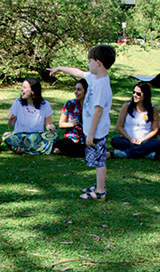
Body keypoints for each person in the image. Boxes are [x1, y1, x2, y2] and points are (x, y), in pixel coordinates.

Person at [49, 45, 116, 200]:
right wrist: (60, 68)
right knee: (95, 159)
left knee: (99, 161)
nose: (88, 65)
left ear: (98, 63)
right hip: (91, 129)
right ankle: (99, 185)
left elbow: (98, 111)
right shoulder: (94, 77)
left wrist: (91, 134)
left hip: (97, 131)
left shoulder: (102, 85)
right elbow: (78, 72)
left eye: (90, 61)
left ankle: (100, 192)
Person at [3, 78, 56, 156]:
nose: (21, 89)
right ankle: (37, 149)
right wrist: (10, 120)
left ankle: (22, 149)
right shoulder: (18, 102)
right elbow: (11, 125)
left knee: (54, 135)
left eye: (24, 87)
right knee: (6, 136)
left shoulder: (45, 104)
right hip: (20, 136)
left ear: (33, 91)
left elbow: (48, 125)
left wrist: (50, 128)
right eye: (22, 87)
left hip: (37, 137)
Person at [110, 81, 160, 160]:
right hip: (128, 140)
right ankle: (146, 154)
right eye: (134, 92)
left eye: (138, 94)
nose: (135, 95)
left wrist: (142, 140)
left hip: (144, 141)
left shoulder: (153, 109)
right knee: (115, 140)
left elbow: (155, 129)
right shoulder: (127, 106)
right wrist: (129, 138)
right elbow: (119, 126)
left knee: (156, 143)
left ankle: (124, 154)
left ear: (145, 95)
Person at [52, 79, 87, 158]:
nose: (75, 92)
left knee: (88, 146)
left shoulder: (91, 106)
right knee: (61, 143)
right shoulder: (70, 104)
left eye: (79, 90)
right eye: (75, 89)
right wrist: (71, 124)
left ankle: (66, 151)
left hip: (86, 139)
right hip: (72, 139)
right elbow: (61, 124)